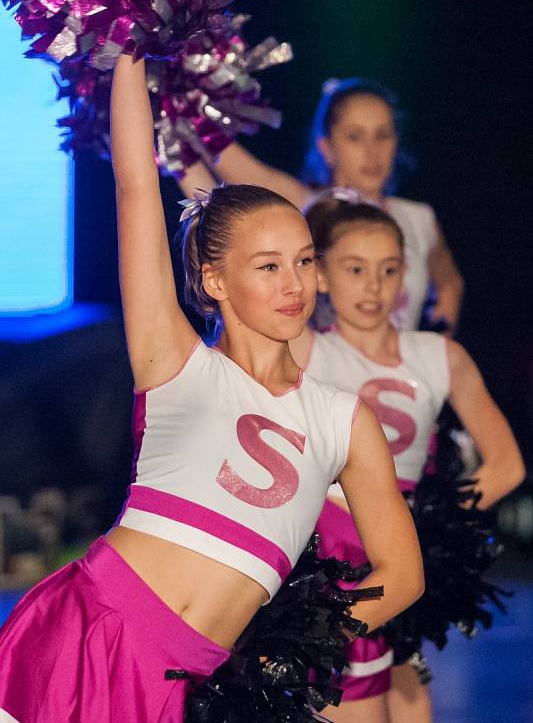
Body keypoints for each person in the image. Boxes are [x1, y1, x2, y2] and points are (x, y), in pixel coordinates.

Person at [0, 57, 424, 723]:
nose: (292, 283)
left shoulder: (343, 420)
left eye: (303, 262)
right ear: (214, 281)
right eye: (267, 265)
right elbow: (137, 186)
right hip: (83, 634)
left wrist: (299, 645)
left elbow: (400, 575)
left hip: (182, 680)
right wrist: (127, 42)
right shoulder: (174, 360)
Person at [287, 194, 525, 723]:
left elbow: (506, 464)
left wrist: (431, 531)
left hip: (400, 555)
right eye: (355, 269)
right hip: (330, 555)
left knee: (412, 708)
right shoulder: (304, 351)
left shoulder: (440, 356)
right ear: (321, 276)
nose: (373, 286)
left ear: (406, 277)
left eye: (388, 270)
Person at [192, 78, 464, 333]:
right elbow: (221, 154)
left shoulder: (419, 217)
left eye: (382, 135)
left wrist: (440, 334)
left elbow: (450, 283)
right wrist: (183, 103)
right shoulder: (307, 207)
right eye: (355, 136)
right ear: (326, 146)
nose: (372, 151)